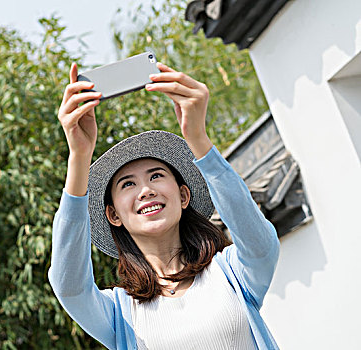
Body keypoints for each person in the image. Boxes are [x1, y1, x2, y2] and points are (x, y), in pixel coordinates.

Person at [48, 61, 280, 350]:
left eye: (156, 176)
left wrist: (198, 138)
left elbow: (261, 243)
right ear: (113, 215)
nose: (145, 190)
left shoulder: (232, 273)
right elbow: (68, 286)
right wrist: (79, 157)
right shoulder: (119, 312)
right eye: (128, 184)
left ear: (184, 196)